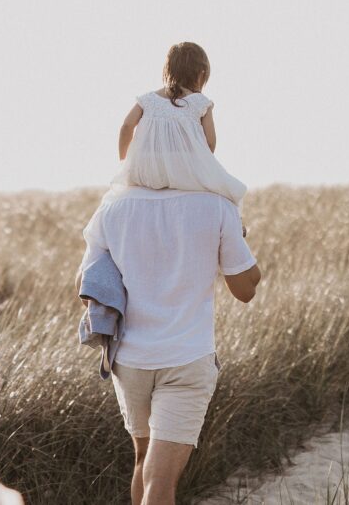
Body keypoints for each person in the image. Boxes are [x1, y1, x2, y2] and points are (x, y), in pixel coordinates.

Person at [77, 186, 262, 505]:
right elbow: (246, 290)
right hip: (185, 359)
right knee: (160, 478)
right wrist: (235, 237)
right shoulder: (218, 206)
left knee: (144, 462)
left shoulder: (113, 206)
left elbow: (84, 282)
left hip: (131, 359)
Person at [112, 41, 247, 207]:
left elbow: (126, 127)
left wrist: (126, 163)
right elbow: (210, 142)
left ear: (168, 70)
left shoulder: (147, 100)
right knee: (230, 192)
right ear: (202, 75)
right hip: (184, 170)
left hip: (146, 167)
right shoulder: (200, 102)